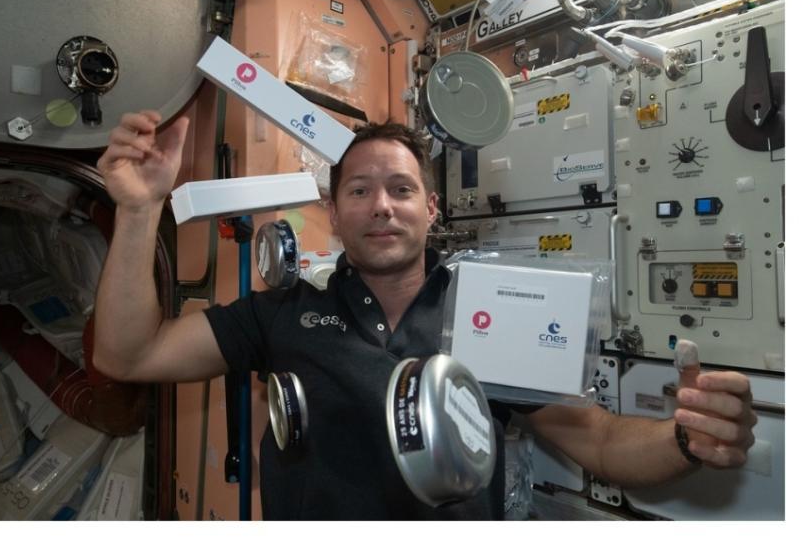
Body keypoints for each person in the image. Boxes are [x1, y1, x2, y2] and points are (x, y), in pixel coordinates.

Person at [94, 110, 758, 520]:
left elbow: (603, 441)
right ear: (335, 212)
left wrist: (683, 439)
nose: (381, 205)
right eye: (359, 190)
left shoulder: (491, 312)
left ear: (431, 211)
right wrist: (137, 209)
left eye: (401, 189)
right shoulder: (282, 315)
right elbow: (128, 355)